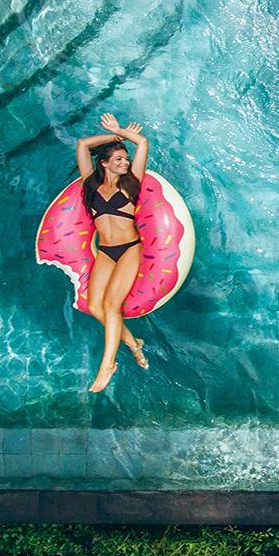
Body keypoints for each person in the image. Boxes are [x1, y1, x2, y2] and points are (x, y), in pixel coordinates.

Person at [74, 113, 152, 392]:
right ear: (104, 163)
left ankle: (107, 365)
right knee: (94, 306)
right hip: (106, 251)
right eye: (118, 159)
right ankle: (133, 343)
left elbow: (142, 142)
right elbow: (83, 145)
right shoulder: (90, 184)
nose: (125, 162)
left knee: (110, 306)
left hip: (130, 249)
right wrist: (114, 138)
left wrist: (120, 130)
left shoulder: (132, 181)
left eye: (126, 159)